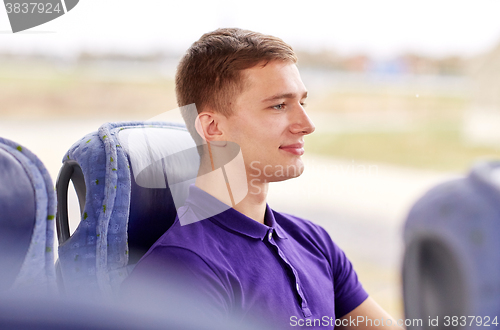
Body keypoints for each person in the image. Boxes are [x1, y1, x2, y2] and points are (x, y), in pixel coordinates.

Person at [124, 28, 403, 329]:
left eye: (302, 103)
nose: (306, 125)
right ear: (213, 128)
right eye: (279, 105)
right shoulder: (181, 270)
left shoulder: (314, 241)